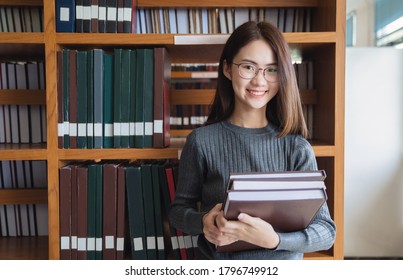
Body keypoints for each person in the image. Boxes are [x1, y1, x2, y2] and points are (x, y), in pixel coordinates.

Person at [168, 21, 336, 260]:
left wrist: (275, 240)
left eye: (272, 69)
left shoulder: (296, 148)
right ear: (227, 68)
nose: (259, 81)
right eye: (248, 67)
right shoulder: (201, 142)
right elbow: (178, 212)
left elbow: (326, 232)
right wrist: (203, 222)